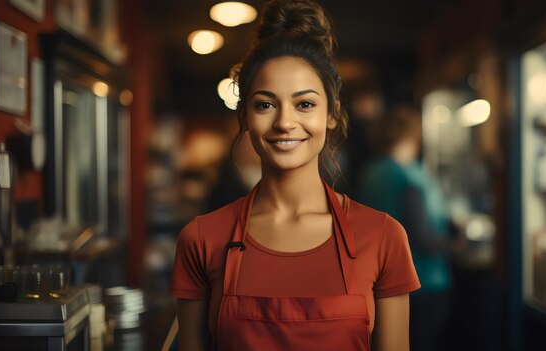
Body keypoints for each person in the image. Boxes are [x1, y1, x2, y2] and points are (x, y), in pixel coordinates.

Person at [170, 1, 420, 350]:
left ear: (331, 114)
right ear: (244, 116)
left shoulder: (383, 238)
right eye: (265, 104)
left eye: (304, 104)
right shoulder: (201, 239)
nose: (285, 122)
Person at [358, 105, 454, 351]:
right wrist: (457, 242)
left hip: (377, 283)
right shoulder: (408, 176)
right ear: (413, 136)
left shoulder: (370, 173)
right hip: (422, 282)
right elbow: (422, 236)